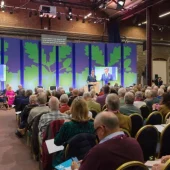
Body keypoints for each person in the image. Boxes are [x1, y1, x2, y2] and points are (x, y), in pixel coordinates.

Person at [71, 111, 144, 170]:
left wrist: (76, 168)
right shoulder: (135, 143)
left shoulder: (98, 152)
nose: (96, 134)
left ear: (102, 129)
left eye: (95, 131)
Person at [54, 97, 94, 165]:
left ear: (72, 109)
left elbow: (57, 142)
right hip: (90, 159)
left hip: (70, 161)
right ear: (86, 109)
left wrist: (62, 127)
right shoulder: (93, 125)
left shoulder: (67, 126)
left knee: (54, 155)